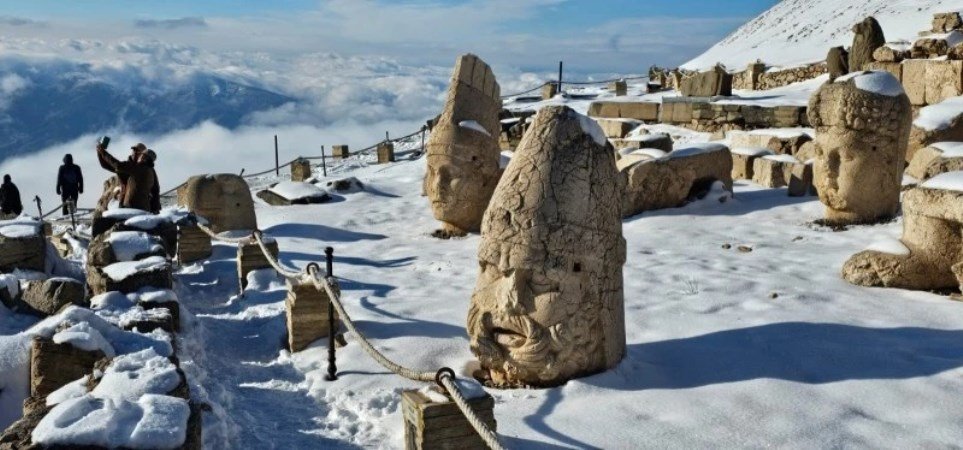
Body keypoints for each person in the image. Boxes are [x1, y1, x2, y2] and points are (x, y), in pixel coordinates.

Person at [96, 142, 156, 212]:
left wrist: (155, 208)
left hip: (136, 206)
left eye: (137, 151)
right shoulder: (128, 165)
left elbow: (155, 190)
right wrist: (99, 152)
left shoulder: (144, 168)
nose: (134, 152)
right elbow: (107, 165)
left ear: (143, 156)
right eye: (133, 150)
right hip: (124, 202)